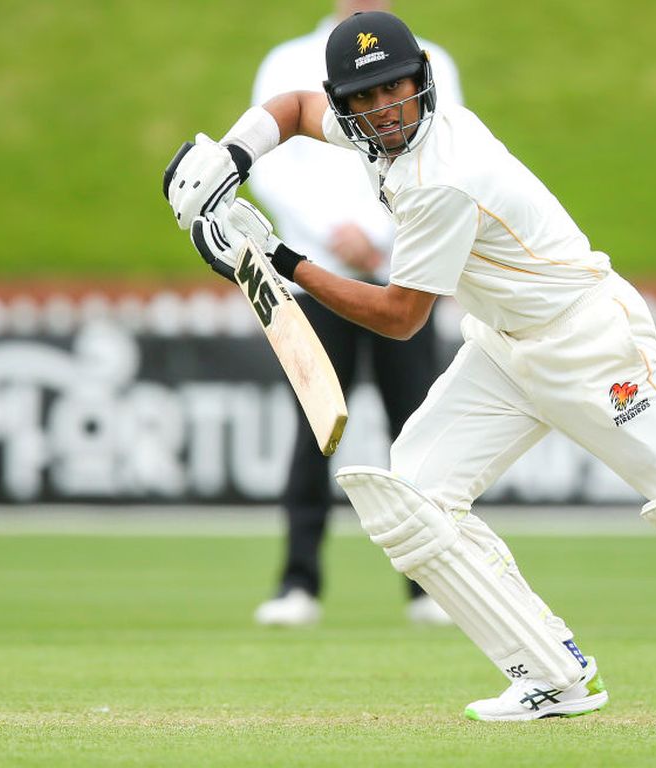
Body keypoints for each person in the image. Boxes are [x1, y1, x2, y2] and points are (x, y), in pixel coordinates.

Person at [164, 11, 656, 723]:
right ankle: (554, 674)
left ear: (422, 83)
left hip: (590, 343)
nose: (384, 111)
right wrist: (233, 154)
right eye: (365, 99)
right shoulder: (366, 123)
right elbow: (297, 108)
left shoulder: (444, 175)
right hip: (507, 346)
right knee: (415, 499)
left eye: (396, 90)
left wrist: (277, 255)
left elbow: (401, 319)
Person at [245, 0, 463, 628]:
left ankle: (432, 585)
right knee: (316, 428)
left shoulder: (430, 59)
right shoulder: (288, 60)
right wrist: (331, 232)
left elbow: (442, 157)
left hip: (404, 270)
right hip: (315, 274)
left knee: (417, 429)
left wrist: (381, 236)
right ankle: (298, 582)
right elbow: (273, 163)